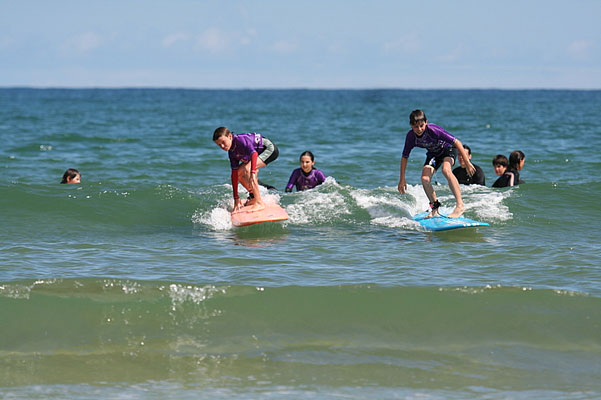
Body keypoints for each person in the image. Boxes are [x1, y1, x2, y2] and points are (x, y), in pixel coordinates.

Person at [397, 109, 475, 219]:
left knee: (446, 170)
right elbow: (405, 157)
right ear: (411, 125)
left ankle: (460, 205)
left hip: (448, 149)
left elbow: (457, 142)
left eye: (421, 125)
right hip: (433, 154)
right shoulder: (410, 137)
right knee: (425, 179)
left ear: (426, 123)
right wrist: (402, 179)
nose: (419, 129)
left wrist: (467, 162)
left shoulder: (433, 130)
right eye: (415, 127)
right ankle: (435, 208)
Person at [213, 127, 279, 212]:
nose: (222, 146)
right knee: (239, 174)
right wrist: (236, 198)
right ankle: (253, 197)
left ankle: (259, 203)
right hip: (257, 153)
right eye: (219, 145)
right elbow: (234, 175)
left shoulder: (240, 140)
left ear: (230, 136)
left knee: (248, 169)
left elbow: (254, 154)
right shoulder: (232, 152)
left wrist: (252, 172)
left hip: (269, 149)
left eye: (223, 142)